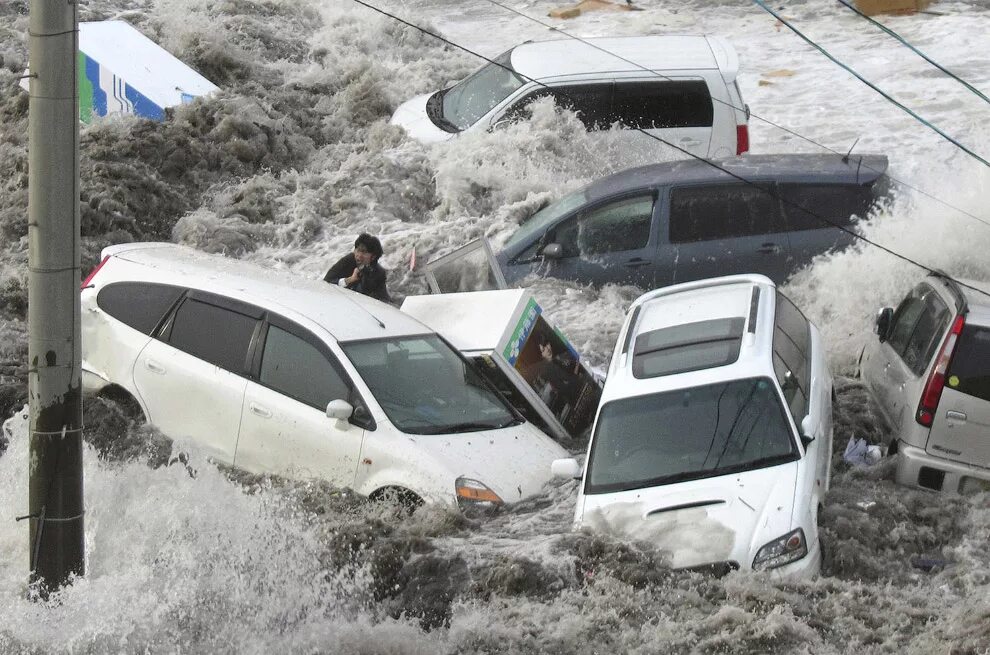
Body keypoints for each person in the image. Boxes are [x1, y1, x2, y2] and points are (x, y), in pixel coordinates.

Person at [323, 233, 390, 302]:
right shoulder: (348, 260)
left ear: (373, 257)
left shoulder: (378, 273)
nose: (359, 255)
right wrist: (349, 280)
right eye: (358, 250)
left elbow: (381, 299)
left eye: (364, 252)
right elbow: (326, 282)